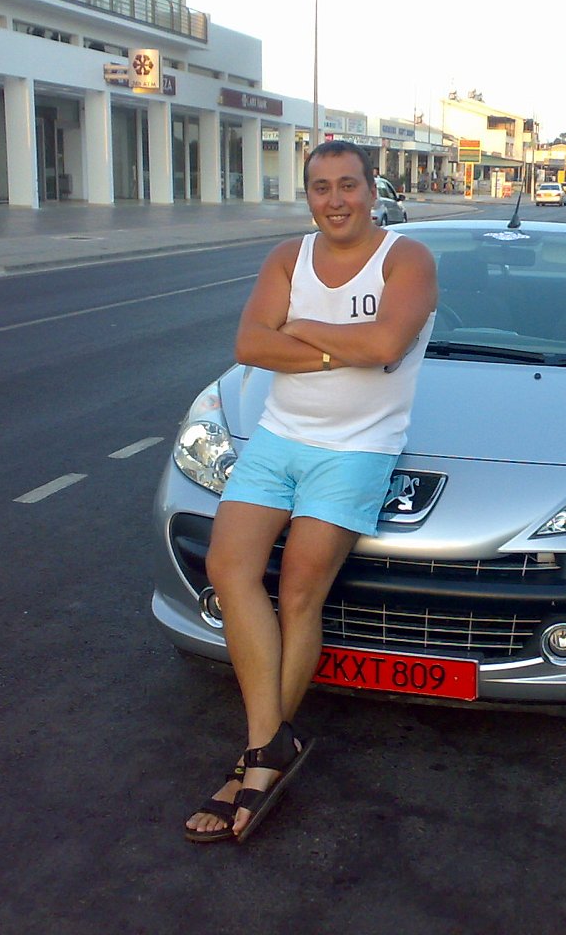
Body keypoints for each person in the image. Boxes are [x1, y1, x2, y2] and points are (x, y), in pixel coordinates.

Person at [184, 140, 438, 844]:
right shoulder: (287, 259)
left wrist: (298, 330)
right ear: (309, 196)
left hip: (357, 449)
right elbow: (249, 345)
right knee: (228, 567)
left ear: (373, 190)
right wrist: (340, 347)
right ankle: (270, 745)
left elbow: (386, 346)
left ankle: (253, 762)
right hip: (278, 440)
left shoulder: (407, 260)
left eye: (348, 185)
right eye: (321, 187)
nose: (335, 200)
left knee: (299, 590)